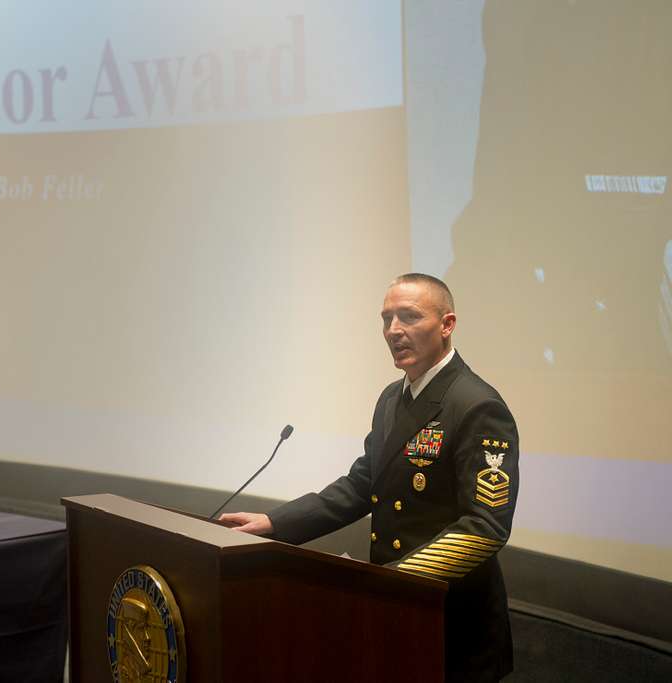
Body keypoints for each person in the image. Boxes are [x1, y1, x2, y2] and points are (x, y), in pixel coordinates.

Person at [221, 273, 519, 682]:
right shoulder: (391, 399)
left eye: (409, 317)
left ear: (447, 325)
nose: (393, 331)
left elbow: (485, 527)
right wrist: (276, 523)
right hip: (394, 609)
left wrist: (396, 579)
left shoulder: (476, 405)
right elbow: (363, 485)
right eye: (386, 319)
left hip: (452, 620)